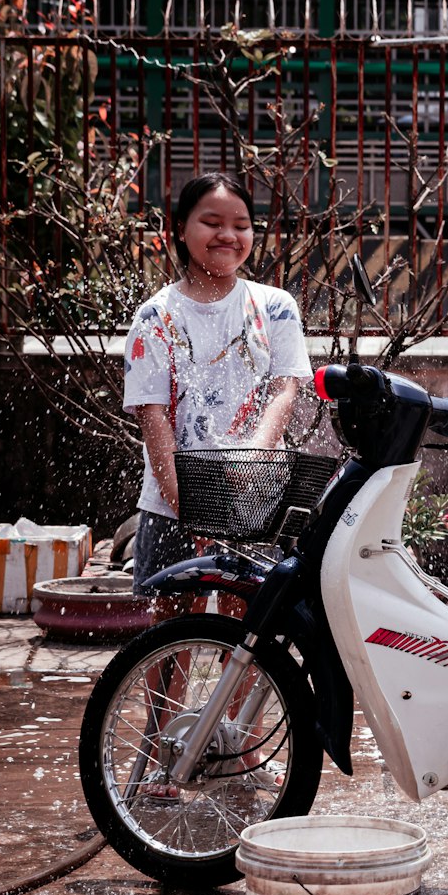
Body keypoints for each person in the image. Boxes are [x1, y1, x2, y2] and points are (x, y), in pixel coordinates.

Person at [124, 171, 312, 601]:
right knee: (170, 630)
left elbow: (284, 390)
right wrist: (190, 511)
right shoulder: (155, 318)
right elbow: (152, 417)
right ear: (180, 229)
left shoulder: (276, 308)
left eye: (241, 225)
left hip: (255, 495)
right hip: (171, 499)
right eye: (212, 222)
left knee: (248, 629)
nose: (228, 234)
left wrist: (255, 456)